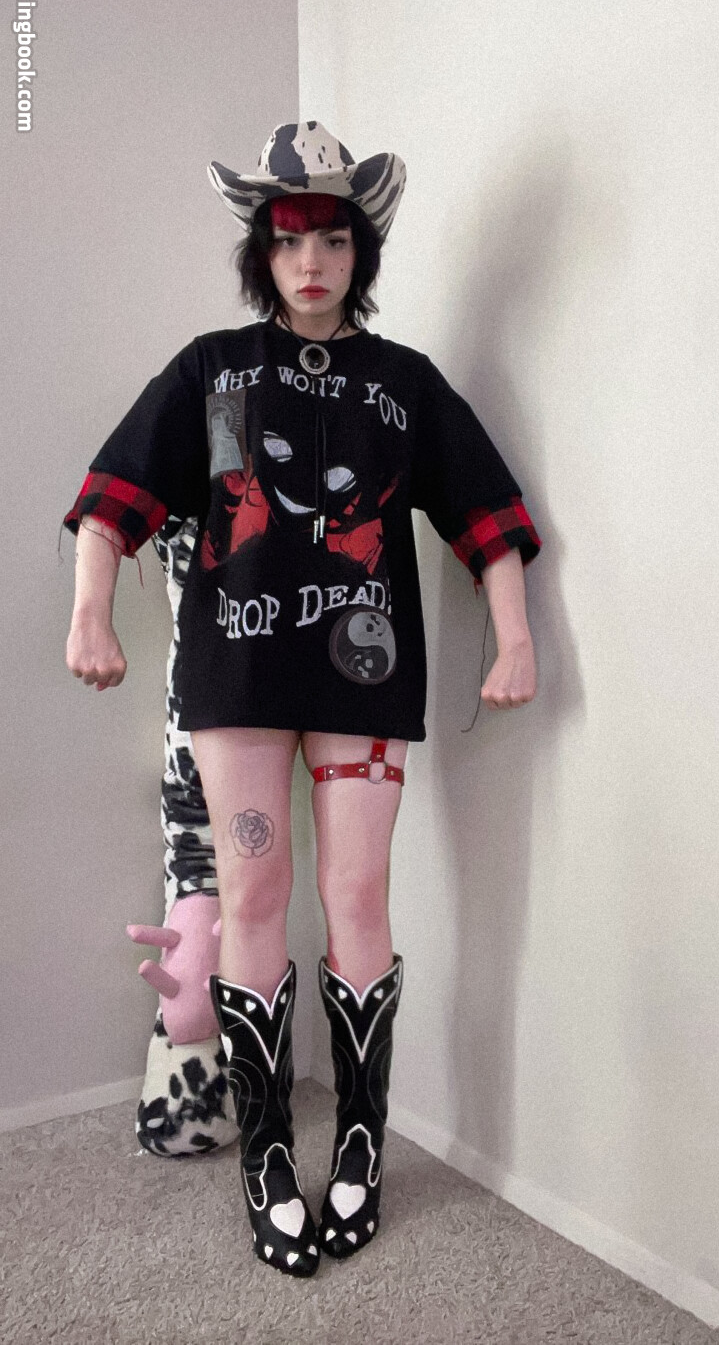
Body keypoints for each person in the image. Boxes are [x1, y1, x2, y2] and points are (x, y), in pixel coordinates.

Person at [63, 120, 543, 1278]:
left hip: (363, 674)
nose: (311, 262)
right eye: (288, 241)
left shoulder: (402, 384)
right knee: (256, 893)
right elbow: (114, 496)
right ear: (261, 253)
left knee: (359, 893)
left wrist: (516, 635)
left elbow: (486, 514)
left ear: (358, 249)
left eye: (332, 239)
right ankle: (270, 1155)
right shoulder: (212, 371)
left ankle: (361, 1143)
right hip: (236, 674)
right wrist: (89, 612)